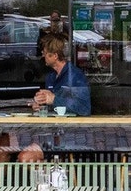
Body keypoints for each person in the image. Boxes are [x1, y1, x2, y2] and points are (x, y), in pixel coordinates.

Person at [17, 35, 92, 163]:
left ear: (55, 56)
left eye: (45, 53)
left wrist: (54, 99)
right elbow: (53, 106)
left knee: (25, 157)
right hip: (48, 131)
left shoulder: (75, 76)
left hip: (70, 135)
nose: (43, 56)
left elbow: (84, 108)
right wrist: (41, 105)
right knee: (5, 142)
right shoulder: (51, 77)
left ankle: (45, 180)